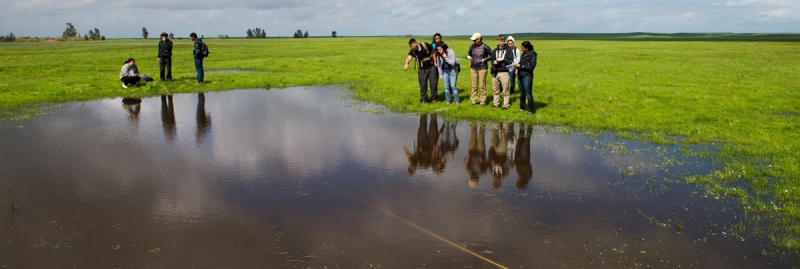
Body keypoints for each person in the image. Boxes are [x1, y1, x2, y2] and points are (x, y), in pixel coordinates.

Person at [404, 38, 438, 103]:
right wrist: (406, 64)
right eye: (411, 47)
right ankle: (424, 99)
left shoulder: (425, 45)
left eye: (413, 46)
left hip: (431, 67)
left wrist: (435, 62)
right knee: (423, 85)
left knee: (433, 84)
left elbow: (433, 53)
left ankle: (434, 99)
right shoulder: (413, 51)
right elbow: (409, 57)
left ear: (416, 43)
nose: (412, 47)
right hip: (422, 69)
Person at [465, 33, 492, 106]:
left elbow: (492, 55)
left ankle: (483, 101)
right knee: (474, 85)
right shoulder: (471, 46)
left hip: (482, 68)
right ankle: (473, 101)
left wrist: (485, 59)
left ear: (479, 39)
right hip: (473, 67)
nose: (473, 41)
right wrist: (467, 57)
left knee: (482, 85)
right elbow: (467, 54)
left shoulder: (485, 47)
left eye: (474, 40)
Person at [514, 41, 538, 114]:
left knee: (528, 93)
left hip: (527, 76)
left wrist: (521, 66)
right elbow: (520, 63)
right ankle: (522, 107)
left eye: (523, 48)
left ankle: (530, 110)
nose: (521, 49)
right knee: (522, 93)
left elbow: (531, 67)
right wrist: (517, 69)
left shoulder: (532, 55)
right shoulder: (523, 55)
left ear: (527, 48)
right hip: (520, 76)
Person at [489, 34, 513, 109]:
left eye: (502, 41)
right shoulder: (495, 50)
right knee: (495, 89)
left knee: (505, 89)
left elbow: (510, 61)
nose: (501, 43)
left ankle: (506, 105)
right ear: (497, 41)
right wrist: (494, 62)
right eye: (500, 41)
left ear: (504, 41)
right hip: (496, 72)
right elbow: (492, 59)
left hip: (504, 72)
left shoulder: (508, 50)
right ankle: (496, 103)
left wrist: (503, 59)